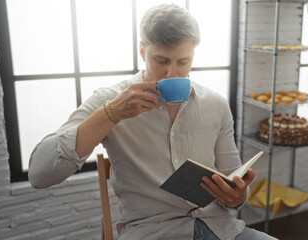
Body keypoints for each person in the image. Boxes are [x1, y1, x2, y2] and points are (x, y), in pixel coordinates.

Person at [28, 4, 276, 240]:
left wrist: (236, 195)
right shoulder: (111, 100)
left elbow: (233, 189)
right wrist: (111, 114)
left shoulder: (215, 104)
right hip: (150, 232)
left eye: (183, 62)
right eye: (162, 61)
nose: (173, 74)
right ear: (143, 51)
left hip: (221, 229)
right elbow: (40, 175)